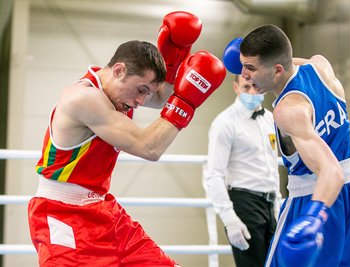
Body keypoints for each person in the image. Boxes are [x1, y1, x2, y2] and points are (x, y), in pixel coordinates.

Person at [28, 11, 226, 267]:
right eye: (141, 91)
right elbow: (150, 147)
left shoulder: (119, 91)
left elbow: (165, 96)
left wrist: (175, 63)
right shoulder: (83, 99)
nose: (141, 102)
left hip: (102, 211)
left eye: (147, 93)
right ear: (119, 70)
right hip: (62, 214)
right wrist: (186, 103)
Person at [223, 24, 350, 267]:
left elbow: (331, 171)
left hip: (316, 195)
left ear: (277, 70)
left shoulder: (288, 110)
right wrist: (254, 61)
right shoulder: (320, 66)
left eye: (250, 68)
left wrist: (314, 215)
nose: (244, 75)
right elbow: (288, 62)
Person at [204, 72, 280, 267]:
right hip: (244, 203)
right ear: (236, 87)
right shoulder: (225, 122)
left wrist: (278, 205)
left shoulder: (271, 120)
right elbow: (213, 175)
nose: (252, 91)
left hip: (271, 204)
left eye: (256, 86)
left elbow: (272, 167)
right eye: (246, 87)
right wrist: (230, 220)